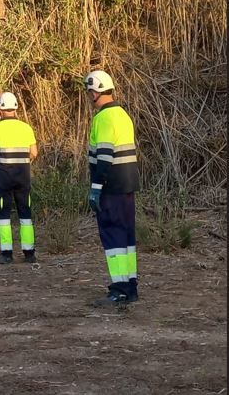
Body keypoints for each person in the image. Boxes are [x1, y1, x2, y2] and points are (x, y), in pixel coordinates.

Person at [84, 70, 140, 307]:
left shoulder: (103, 118)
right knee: (126, 236)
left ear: (96, 91)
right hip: (127, 185)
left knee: (112, 235)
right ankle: (130, 286)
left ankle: (118, 289)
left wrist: (96, 187)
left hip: (111, 186)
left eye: (89, 92)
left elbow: (104, 156)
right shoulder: (123, 115)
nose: (89, 97)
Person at [0, 92, 38, 264]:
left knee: (4, 215)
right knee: (25, 214)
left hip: (4, 178)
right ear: (16, 108)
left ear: (0, 109)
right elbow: (34, 153)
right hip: (23, 177)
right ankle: (29, 253)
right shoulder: (27, 128)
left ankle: (7, 253)